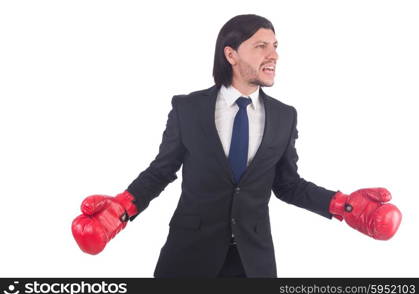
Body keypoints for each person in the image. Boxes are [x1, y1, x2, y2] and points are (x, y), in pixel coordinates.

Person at [71, 14, 402, 278]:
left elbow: (288, 184)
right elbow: (161, 172)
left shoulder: (285, 116)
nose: (274, 55)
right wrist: (120, 209)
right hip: (188, 258)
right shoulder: (188, 109)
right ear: (231, 54)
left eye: (275, 45)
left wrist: (343, 206)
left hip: (252, 262)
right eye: (260, 46)